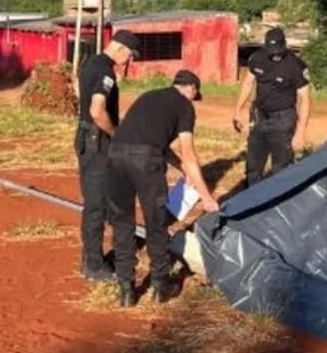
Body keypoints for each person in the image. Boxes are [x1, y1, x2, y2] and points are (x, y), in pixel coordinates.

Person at [108, 70, 220, 307]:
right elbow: (188, 152)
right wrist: (206, 196)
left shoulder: (148, 96)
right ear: (192, 88)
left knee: (122, 223)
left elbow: (152, 140)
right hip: (146, 162)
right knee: (156, 223)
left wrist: (181, 168)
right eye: (195, 94)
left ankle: (126, 290)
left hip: (116, 155)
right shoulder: (184, 106)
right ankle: (160, 285)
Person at [74, 29, 140, 283]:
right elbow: (97, 110)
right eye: (130, 56)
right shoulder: (105, 72)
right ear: (121, 48)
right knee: (97, 205)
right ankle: (94, 265)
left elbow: (81, 96)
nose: (129, 61)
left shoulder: (89, 63)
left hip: (86, 138)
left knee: (97, 201)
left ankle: (91, 258)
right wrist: (115, 133)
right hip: (97, 142)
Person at [232, 27, 311, 187]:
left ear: (285, 45)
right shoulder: (257, 58)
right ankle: (252, 198)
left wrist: (300, 132)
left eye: (278, 51)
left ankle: (279, 201)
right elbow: (248, 83)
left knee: (281, 169)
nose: (275, 55)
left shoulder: (296, 66)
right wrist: (237, 110)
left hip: (283, 120)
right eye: (272, 51)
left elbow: (305, 98)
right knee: (253, 165)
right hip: (259, 118)